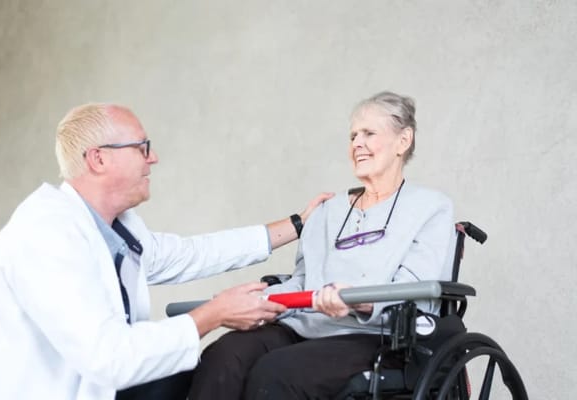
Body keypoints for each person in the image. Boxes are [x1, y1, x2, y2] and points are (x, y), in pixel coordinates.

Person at [0, 103, 333, 400]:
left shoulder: (115, 227)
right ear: (98, 159)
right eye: (141, 147)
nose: (153, 158)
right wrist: (212, 315)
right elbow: (108, 358)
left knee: (188, 376)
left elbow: (190, 254)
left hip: (100, 386)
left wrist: (298, 224)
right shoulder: (46, 235)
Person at [187, 91, 456, 399]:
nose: (357, 143)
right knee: (224, 356)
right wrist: (253, 299)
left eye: (369, 133)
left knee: (275, 373)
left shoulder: (431, 208)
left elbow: (416, 290)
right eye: (353, 135)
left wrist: (357, 300)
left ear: (403, 141)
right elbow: (303, 281)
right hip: (305, 326)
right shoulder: (328, 210)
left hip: (373, 336)